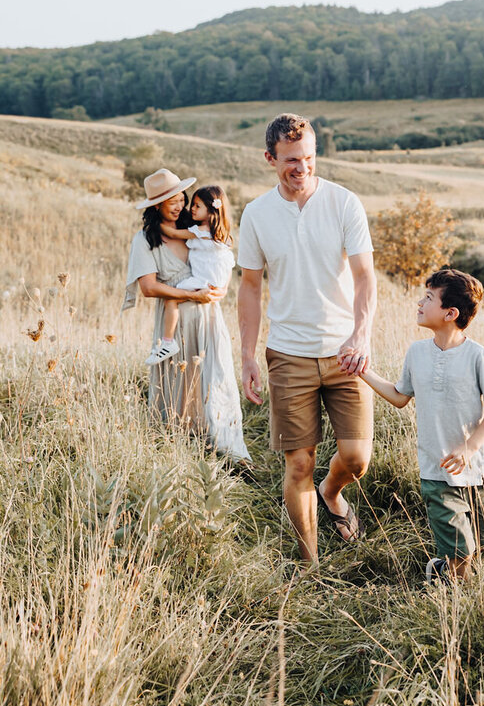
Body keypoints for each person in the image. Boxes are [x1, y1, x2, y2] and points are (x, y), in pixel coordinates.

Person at [237, 113, 377, 564]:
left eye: (310, 158)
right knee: (297, 463)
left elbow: (364, 277)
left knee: (356, 459)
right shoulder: (257, 214)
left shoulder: (344, 203)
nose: (302, 168)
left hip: (345, 354)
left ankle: (331, 493)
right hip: (289, 354)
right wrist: (247, 355)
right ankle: (310, 564)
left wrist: (360, 336)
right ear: (270, 158)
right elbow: (251, 287)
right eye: (292, 160)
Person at [358, 268, 484, 583]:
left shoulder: (479, 356)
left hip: (476, 472)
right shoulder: (417, 352)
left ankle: (441, 572)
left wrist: (469, 447)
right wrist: (364, 372)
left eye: (428, 298)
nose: (419, 303)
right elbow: (400, 397)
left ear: (450, 313)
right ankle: (455, 603)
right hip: (436, 471)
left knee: (479, 548)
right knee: (460, 549)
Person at [123, 168, 251, 464]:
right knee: (176, 384)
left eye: (182, 199)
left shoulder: (198, 231)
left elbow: (221, 259)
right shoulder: (145, 240)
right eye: (172, 202)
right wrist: (192, 296)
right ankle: (175, 451)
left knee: (212, 379)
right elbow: (149, 288)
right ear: (157, 206)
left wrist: (222, 288)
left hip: (207, 319)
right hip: (175, 322)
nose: (180, 205)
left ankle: (223, 449)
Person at [146, 184, 236, 366]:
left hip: (202, 280)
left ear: (211, 210)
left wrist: (155, 224)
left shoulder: (200, 232)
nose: (191, 209)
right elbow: (229, 262)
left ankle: (168, 342)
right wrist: (224, 286)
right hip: (215, 280)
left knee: (171, 299)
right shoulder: (219, 234)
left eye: (197, 206)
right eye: (192, 205)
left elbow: (172, 232)